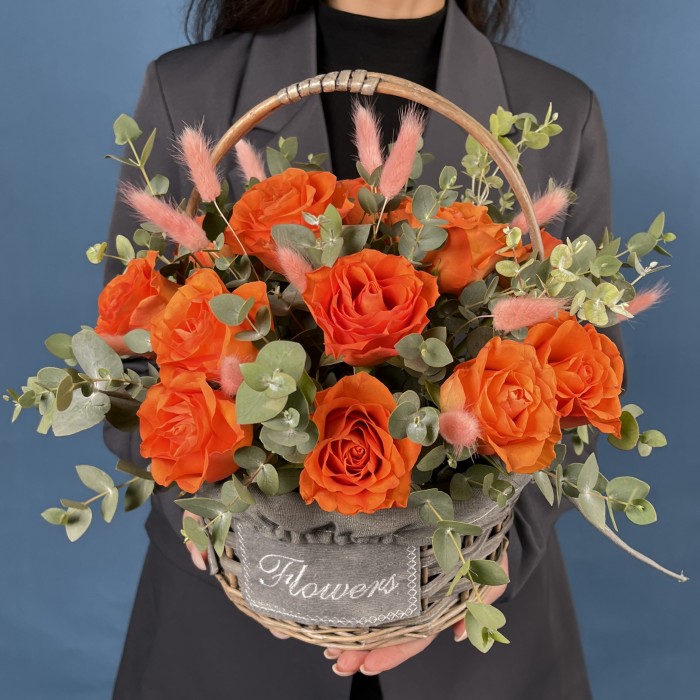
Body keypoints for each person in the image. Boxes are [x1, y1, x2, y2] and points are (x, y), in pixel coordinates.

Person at [105, 1, 612, 698]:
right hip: (227, 647)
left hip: (473, 659)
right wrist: (218, 529)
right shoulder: (189, 90)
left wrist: (478, 568)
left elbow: (584, 390)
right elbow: (128, 370)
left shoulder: (556, 108)